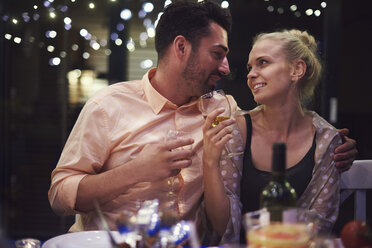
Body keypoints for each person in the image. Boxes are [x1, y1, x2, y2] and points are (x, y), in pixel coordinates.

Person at [48, 0, 356, 244]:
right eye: (217, 54)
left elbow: (273, 123)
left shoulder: (222, 109)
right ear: (181, 48)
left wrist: (330, 142)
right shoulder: (108, 106)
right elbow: (60, 194)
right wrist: (136, 171)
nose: (226, 68)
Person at [202, 29, 357, 244]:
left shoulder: (325, 139)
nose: (250, 74)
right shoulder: (238, 130)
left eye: (263, 63)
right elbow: (223, 228)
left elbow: (318, 225)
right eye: (250, 67)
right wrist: (209, 161)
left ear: (296, 70)